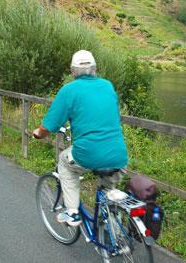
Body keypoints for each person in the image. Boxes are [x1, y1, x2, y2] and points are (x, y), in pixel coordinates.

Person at [32, 50, 128, 226]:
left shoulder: (69, 90)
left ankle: (72, 212)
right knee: (108, 191)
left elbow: (49, 125)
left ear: (72, 71)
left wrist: (38, 133)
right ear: (95, 68)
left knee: (64, 161)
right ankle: (114, 232)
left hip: (89, 153)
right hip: (119, 155)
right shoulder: (107, 85)